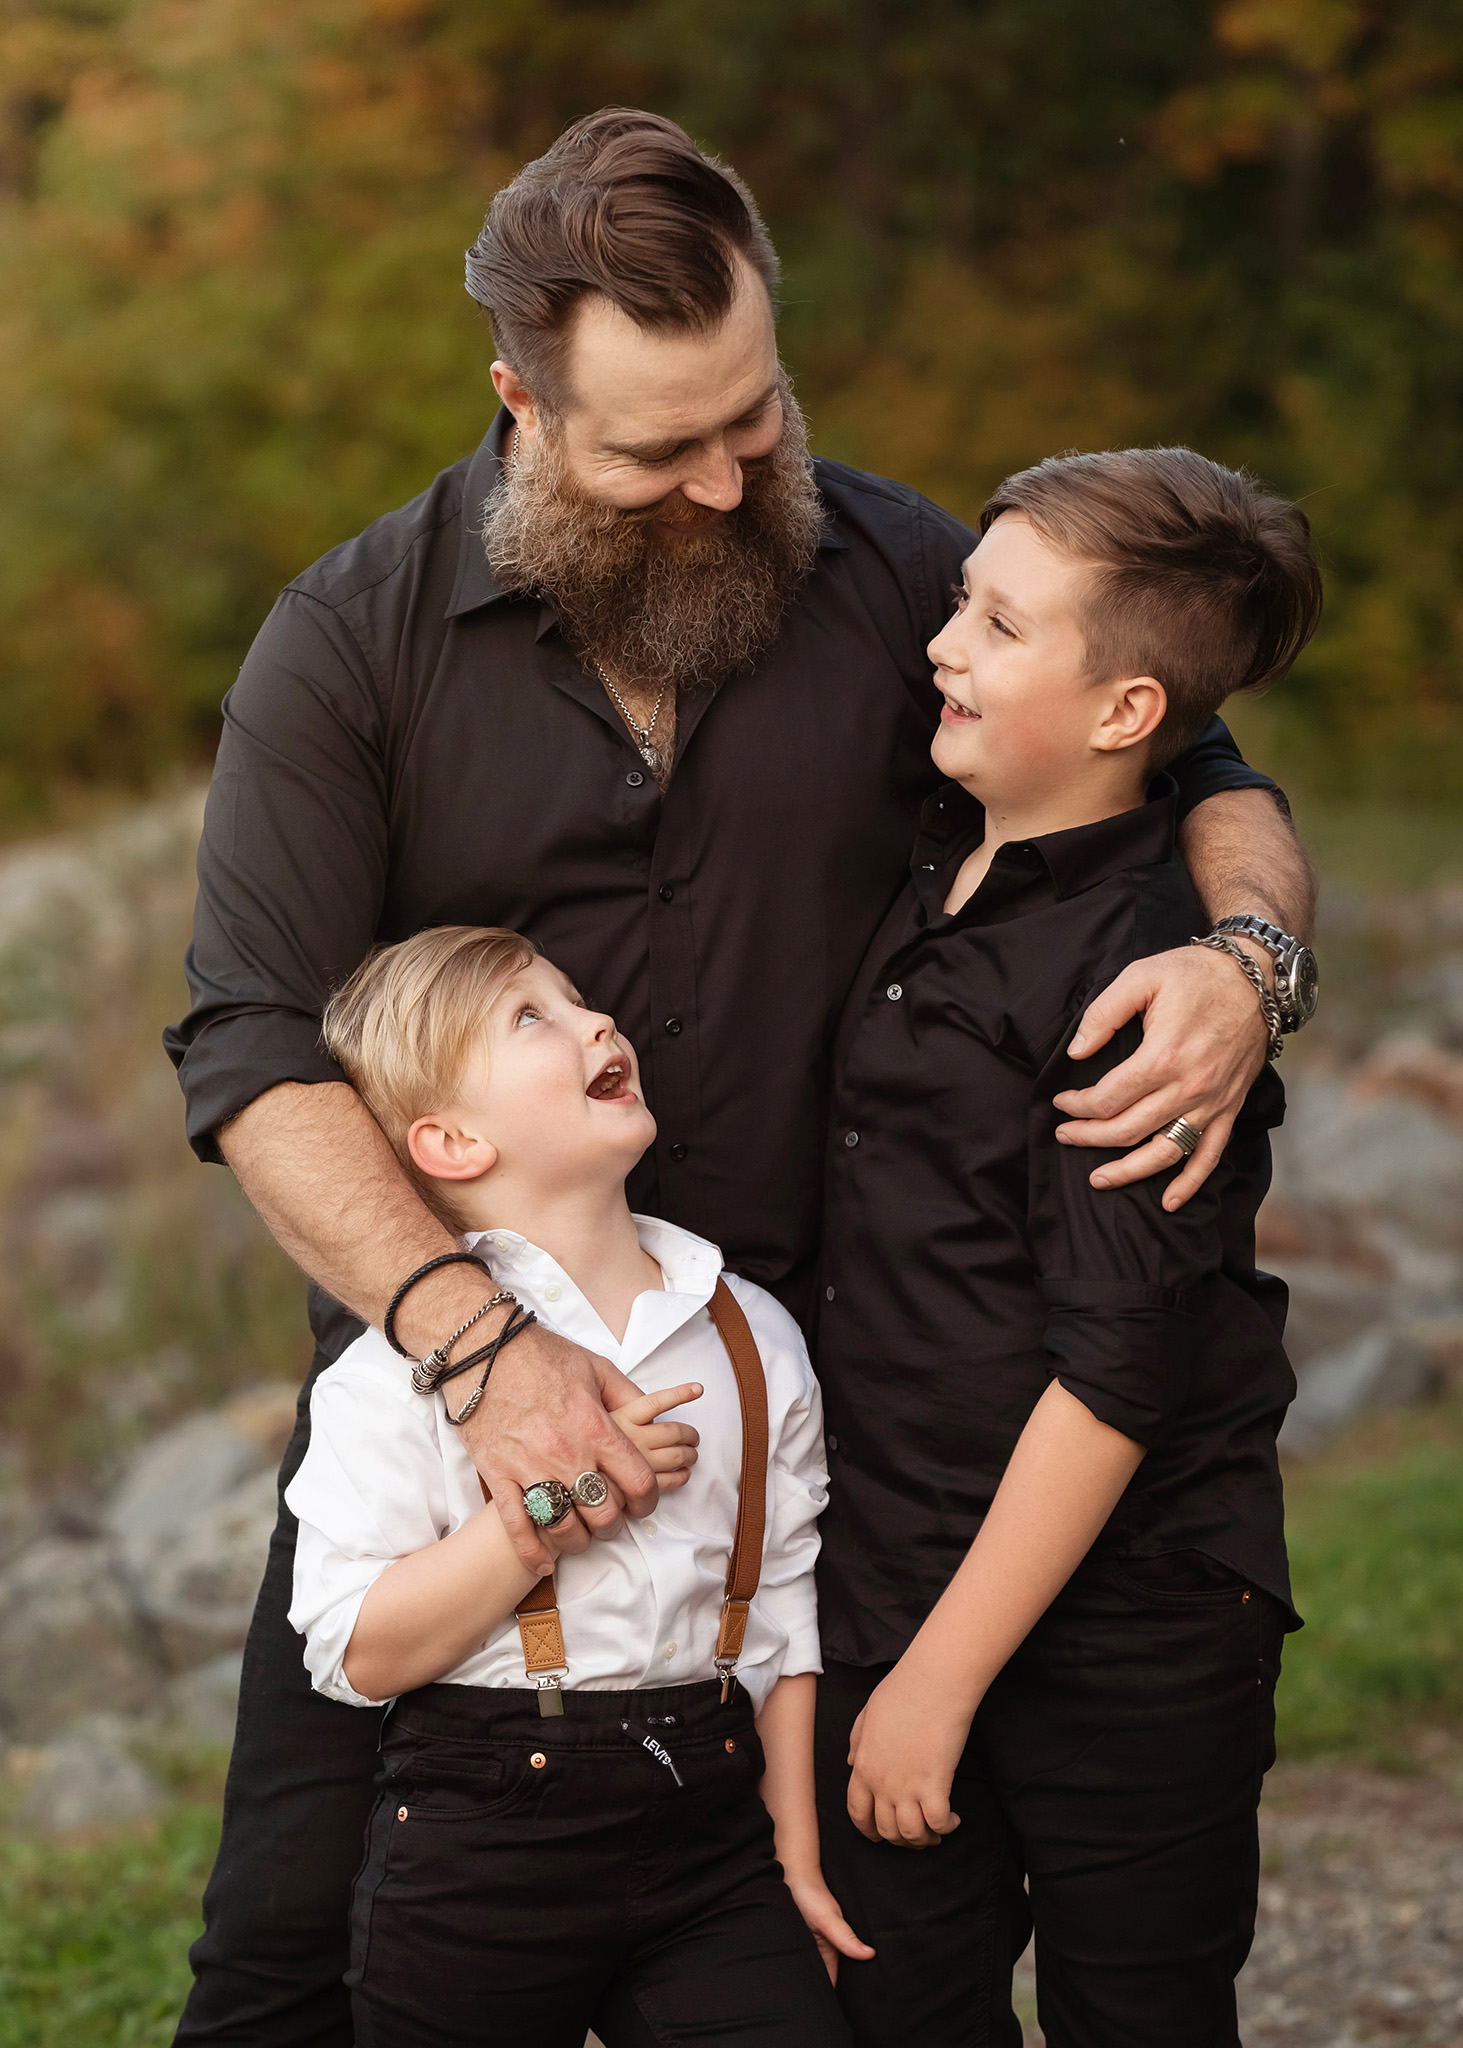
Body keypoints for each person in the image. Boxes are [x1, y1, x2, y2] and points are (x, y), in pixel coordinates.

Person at [162, 110, 1316, 2045]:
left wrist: (1244, 957)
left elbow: (1181, 760)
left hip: (812, 1436)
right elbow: (249, 1039)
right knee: (294, 1958)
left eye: (752, 417)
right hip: (455, 1405)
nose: (719, 482)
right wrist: (476, 1344)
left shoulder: (891, 570)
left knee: (818, 1972)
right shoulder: (347, 646)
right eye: (653, 447)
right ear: (516, 400)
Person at [811, 448, 1319, 2048]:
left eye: (998, 625)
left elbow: (1113, 1382)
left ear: (1122, 716)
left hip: (1124, 1630)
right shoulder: (933, 845)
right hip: (895, 1570)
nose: (942, 645)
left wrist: (934, 1689)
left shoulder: (1145, 1002)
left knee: (1137, 2020)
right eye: (961, 600)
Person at [284, 923, 867, 2047]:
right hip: (479, 1835)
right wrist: (542, 1517)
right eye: (528, 1016)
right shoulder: (397, 1371)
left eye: (580, 998)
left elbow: (785, 1609)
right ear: (449, 1140)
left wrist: (792, 1850)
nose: (596, 1020)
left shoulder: (750, 1334)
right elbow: (353, 1649)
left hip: (711, 1825)